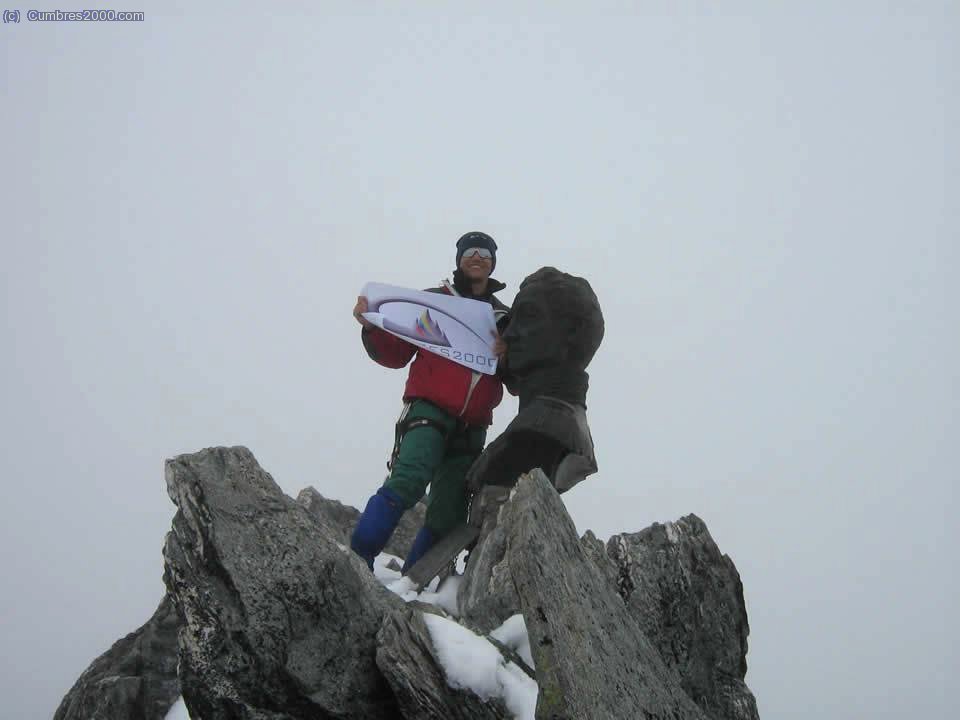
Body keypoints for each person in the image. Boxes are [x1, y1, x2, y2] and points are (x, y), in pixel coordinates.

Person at [349, 231, 510, 571]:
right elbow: (395, 354)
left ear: (493, 261)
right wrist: (371, 326)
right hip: (429, 410)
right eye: (469, 251)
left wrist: (509, 354)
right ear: (459, 260)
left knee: (449, 510)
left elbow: (517, 377)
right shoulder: (433, 301)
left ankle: (414, 583)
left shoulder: (505, 319)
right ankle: (357, 559)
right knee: (407, 479)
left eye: (484, 252)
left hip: (473, 426)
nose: (477, 257)